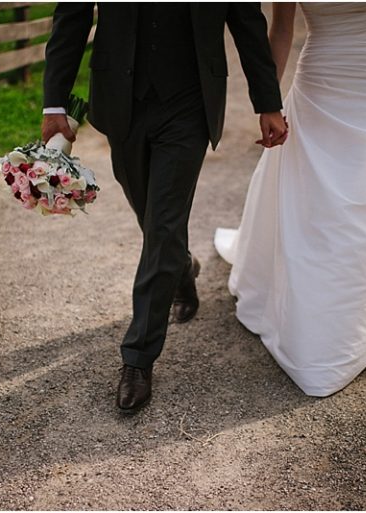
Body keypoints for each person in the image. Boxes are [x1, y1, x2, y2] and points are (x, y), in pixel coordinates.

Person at [42, 3, 288, 412]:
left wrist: (268, 102)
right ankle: (180, 265)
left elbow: (247, 22)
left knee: (162, 223)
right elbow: (72, 17)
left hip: (190, 104)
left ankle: (137, 358)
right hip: (123, 100)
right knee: (154, 219)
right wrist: (55, 106)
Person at [214, 2, 366, 396]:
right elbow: (281, 28)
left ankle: (355, 311)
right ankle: (325, 324)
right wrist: (268, 102)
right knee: (319, 198)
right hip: (322, 80)